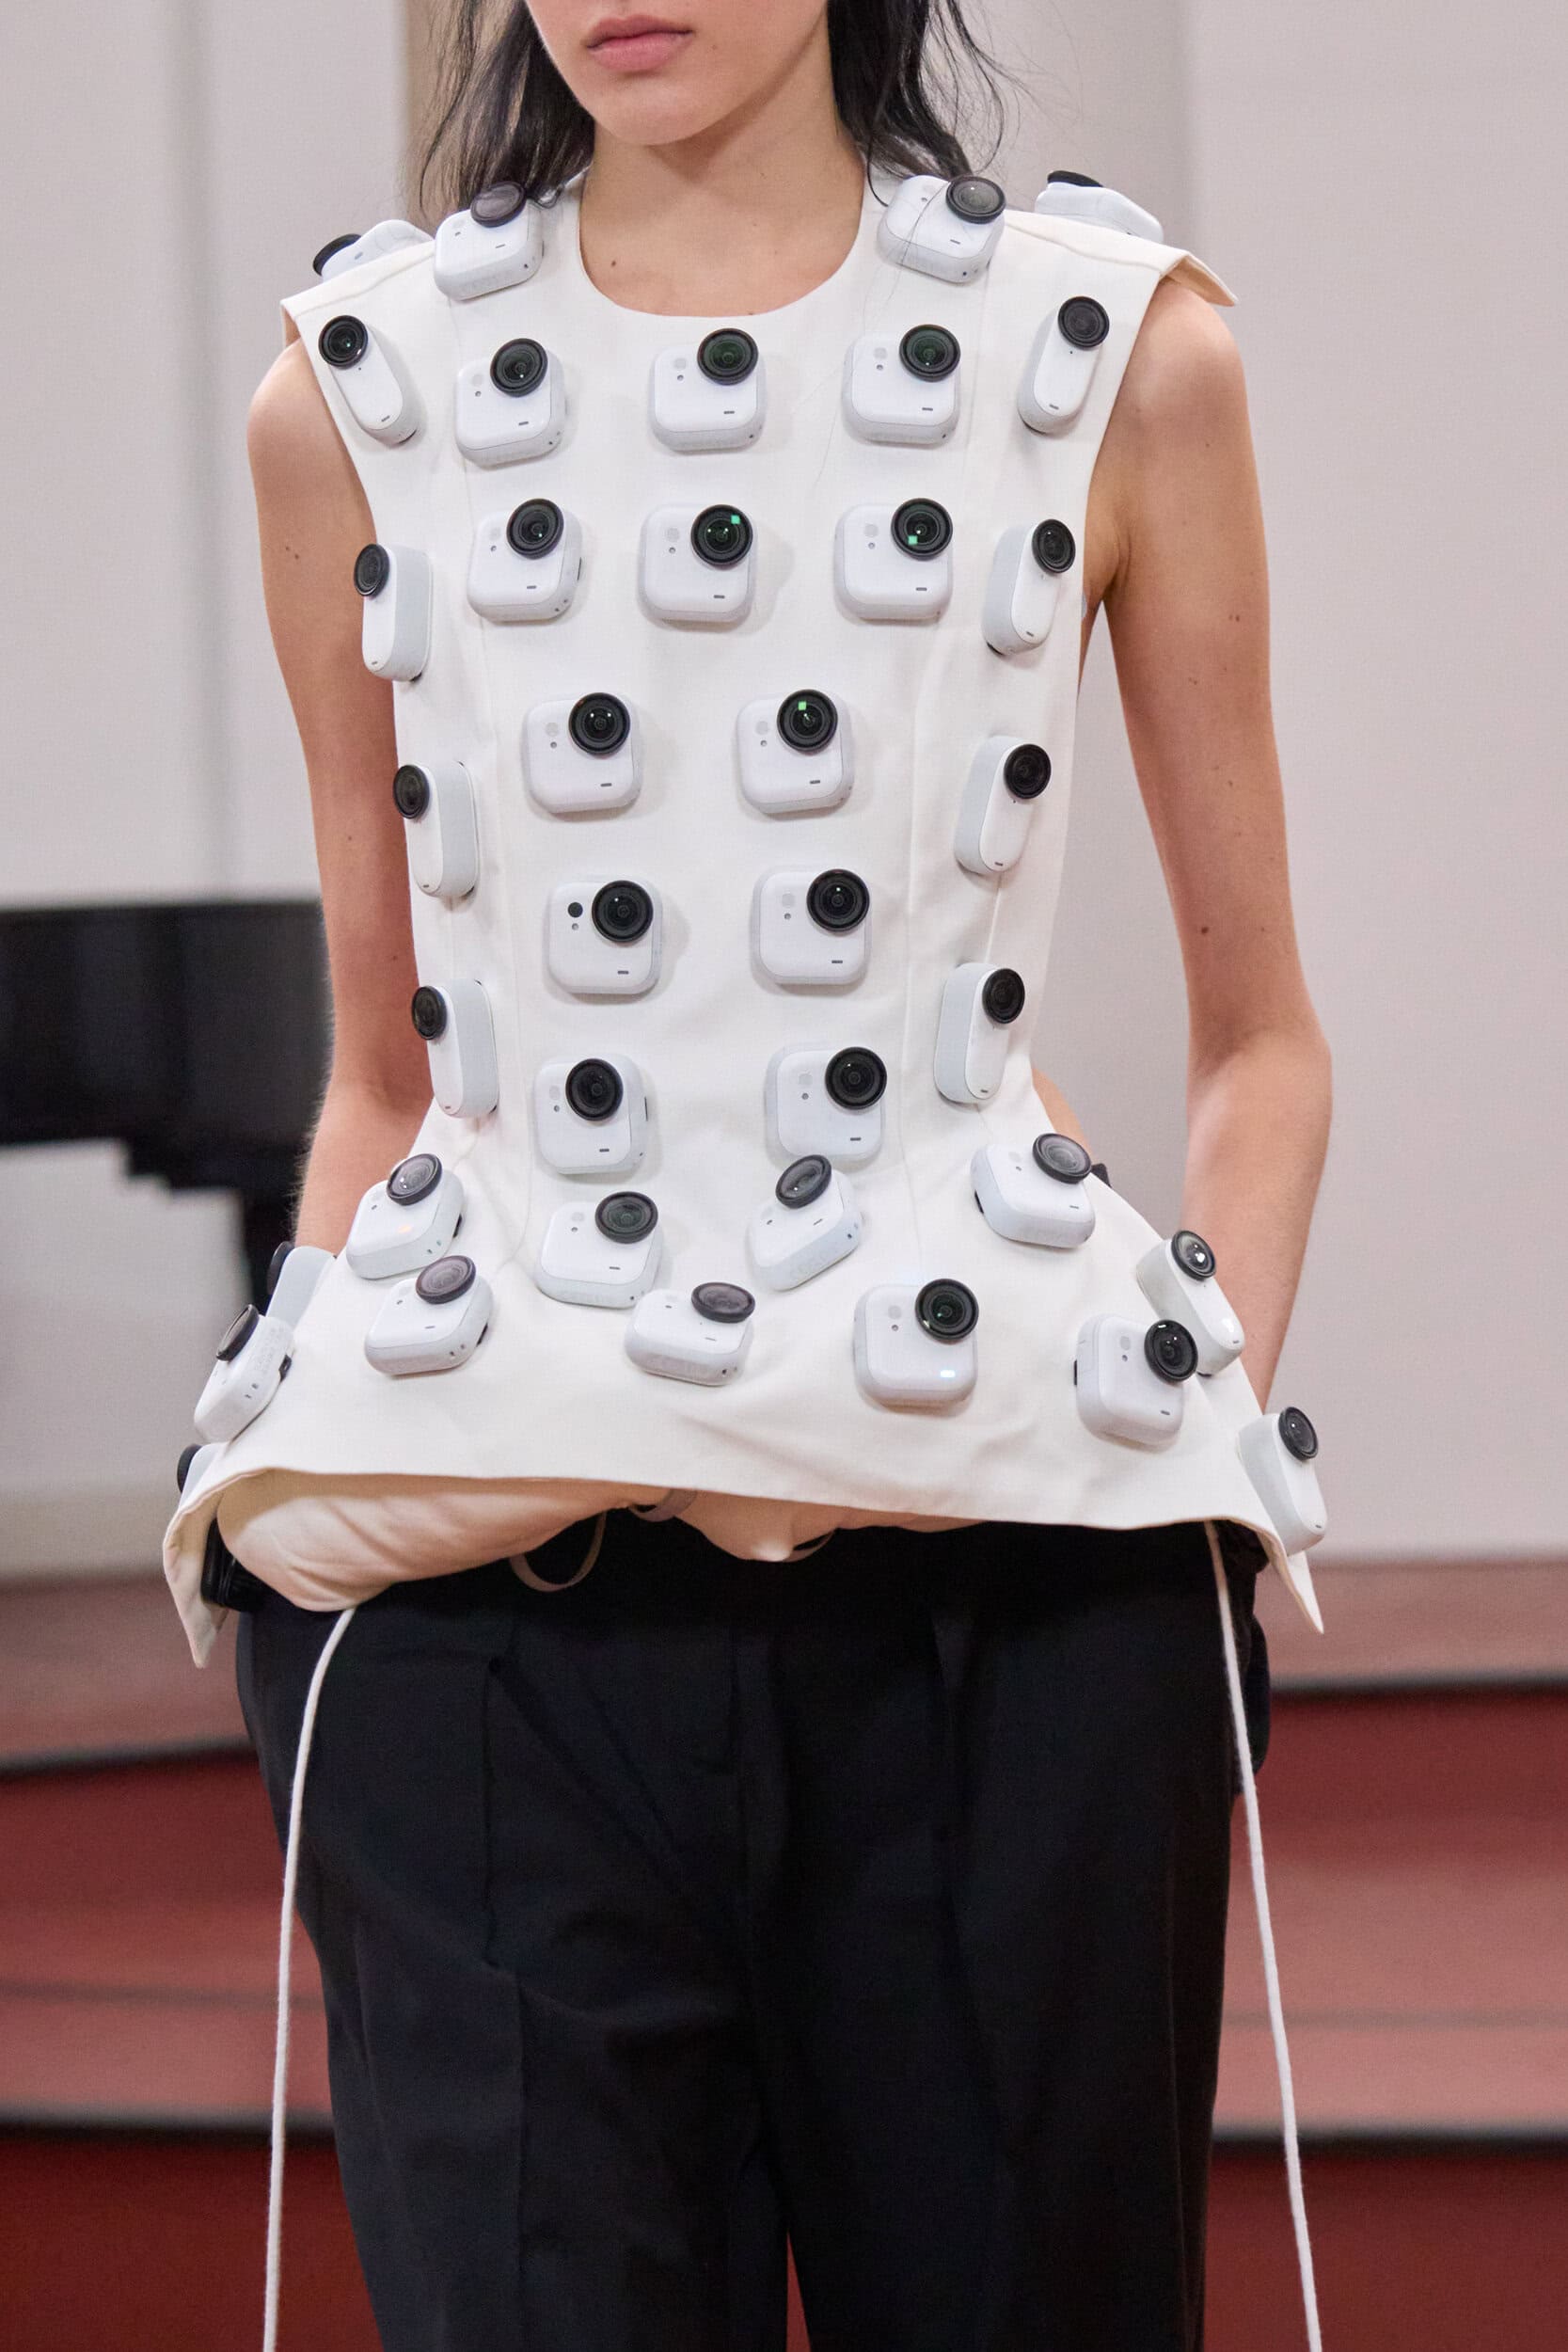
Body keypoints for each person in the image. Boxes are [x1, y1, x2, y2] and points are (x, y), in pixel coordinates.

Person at [213, 4, 1333, 2346]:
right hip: (476, 1631)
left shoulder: (1112, 352)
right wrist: (304, 1510)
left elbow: (1264, 1036)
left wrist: (1198, 1452)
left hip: (1014, 1612)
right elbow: (387, 1073)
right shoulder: (353, 395)